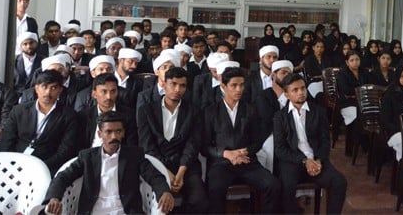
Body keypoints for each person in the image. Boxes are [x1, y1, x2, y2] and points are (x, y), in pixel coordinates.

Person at [43, 110, 174, 214]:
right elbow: (63, 177)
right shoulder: (87, 156)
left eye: (118, 131)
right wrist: (54, 197)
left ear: (123, 133)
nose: (114, 137)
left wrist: (165, 192)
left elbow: (154, 176)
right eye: (108, 132)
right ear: (100, 134)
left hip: (126, 210)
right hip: (94, 211)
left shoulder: (134, 155)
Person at [201, 67, 281, 213]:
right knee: (215, 188)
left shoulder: (251, 110)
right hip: (221, 164)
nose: (239, 89)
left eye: (242, 85)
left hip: (247, 161)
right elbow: (204, 146)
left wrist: (244, 152)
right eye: (234, 85)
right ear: (223, 86)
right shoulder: (210, 111)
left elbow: (257, 140)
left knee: (273, 184)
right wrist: (226, 154)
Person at [273, 73, 347, 214]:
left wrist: (318, 160)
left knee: (339, 182)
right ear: (287, 95)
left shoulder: (318, 112)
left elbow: (325, 141)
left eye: (303, 88)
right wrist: (304, 161)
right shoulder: (280, 117)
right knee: (286, 186)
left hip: (316, 159)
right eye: (295, 90)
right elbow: (280, 149)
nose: (301, 92)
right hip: (293, 161)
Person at [137, 67, 208, 213]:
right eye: (173, 84)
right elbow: (147, 146)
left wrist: (180, 173)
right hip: (156, 165)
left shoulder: (194, 111)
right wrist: (167, 173)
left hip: (185, 166)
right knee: (160, 203)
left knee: (199, 201)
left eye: (182, 85)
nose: (177, 89)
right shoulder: (146, 110)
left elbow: (193, 145)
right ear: (163, 84)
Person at [0, 69, 79, 174]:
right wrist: (12, 164)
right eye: (44, 87)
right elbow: (7, 142)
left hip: (48, 166)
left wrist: (41, 167)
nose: (48, 92)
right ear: (37, 88)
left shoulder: (69, 115)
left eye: (53, 88)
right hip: (17, 163)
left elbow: (65, 150)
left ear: (60, 90)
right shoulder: (19, 110)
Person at [78, 73, 137, 149]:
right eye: (104, 91)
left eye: (113, 91)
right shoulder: (83, 116)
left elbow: (131, 146)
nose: (109, 97)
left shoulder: (129, 115)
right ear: (94, 94)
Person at [254, 60, 294, 173]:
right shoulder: (263, 96)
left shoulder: (295, 95)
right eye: (283, 73)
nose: (287, 76)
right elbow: (269, 121)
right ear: (273, 75)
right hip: (269, 134)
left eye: (289, 74)